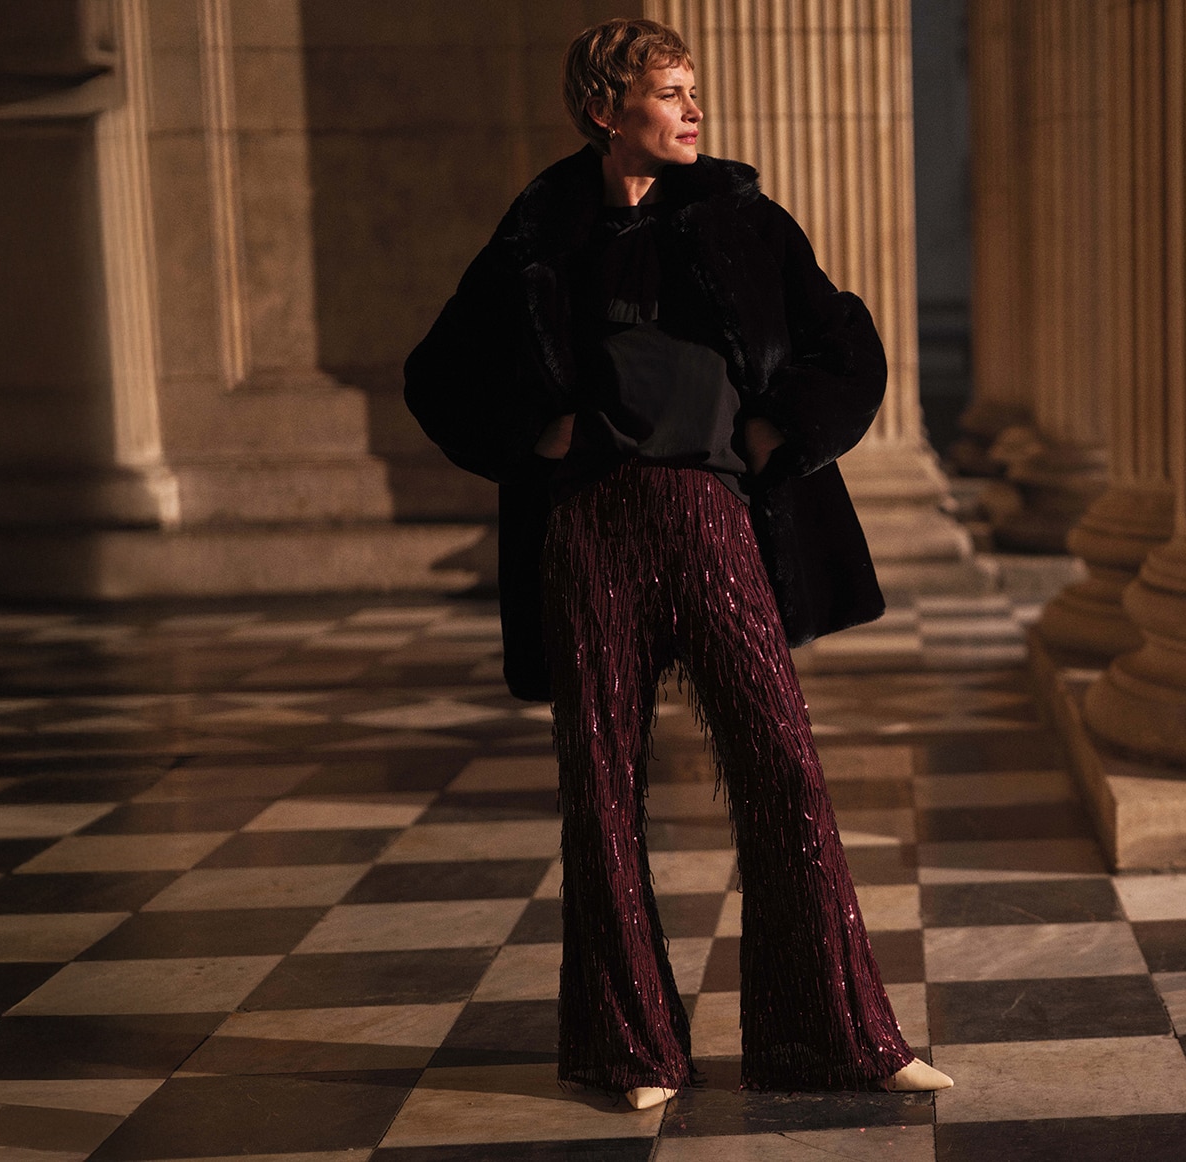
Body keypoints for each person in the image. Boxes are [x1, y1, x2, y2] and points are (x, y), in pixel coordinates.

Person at [404, 17, 953, 1110]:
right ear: (606, 110)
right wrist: (537, 435)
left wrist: (777, 430)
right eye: (670, 91)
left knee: (784, 766)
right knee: (599, 789)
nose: (695, 109)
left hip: (713, 518)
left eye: (695, 89)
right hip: (591, 527)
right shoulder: (538, 233)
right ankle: (631, 1049)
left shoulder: (748, 223)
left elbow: (850, 347)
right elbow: (437, 374)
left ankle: (839, 1036)